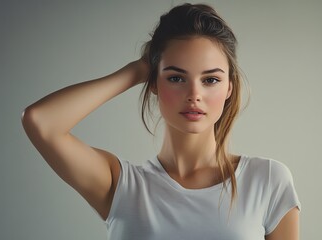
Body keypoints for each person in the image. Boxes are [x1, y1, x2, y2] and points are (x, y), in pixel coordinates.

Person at [21, 3, 300, 240]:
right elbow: (40, 121)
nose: (194, 95)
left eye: (210, 80)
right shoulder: (122, 186)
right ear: (154, 82)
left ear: (229, 87)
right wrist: (136, 71)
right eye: (176, 78)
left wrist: (158, 69)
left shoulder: (267, 180)